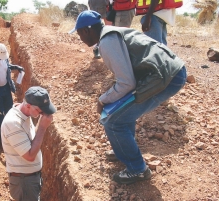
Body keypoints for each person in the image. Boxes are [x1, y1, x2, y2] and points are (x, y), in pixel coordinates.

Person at [69, 10, 187, 184]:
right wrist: (112, 98)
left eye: (79, 33)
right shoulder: (111, 34)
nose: (80, 38)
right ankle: (122, 150)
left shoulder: (107, 42)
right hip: (167, 73)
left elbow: (126, 83)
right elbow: (127, 80)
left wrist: (103, 99)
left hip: (166, 78)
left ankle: (137, 169)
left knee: (114, 122)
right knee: (122, 111)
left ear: (87, 30)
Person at [1, 86, 56, 201]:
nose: (43, 113)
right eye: (41, 111)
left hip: (28, 179)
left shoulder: (25, 114)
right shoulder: (13, 123)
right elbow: (30, 156)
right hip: (24, 182)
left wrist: (40, 123)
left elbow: (31, 141)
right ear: (28, 106)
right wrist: (42, 127)